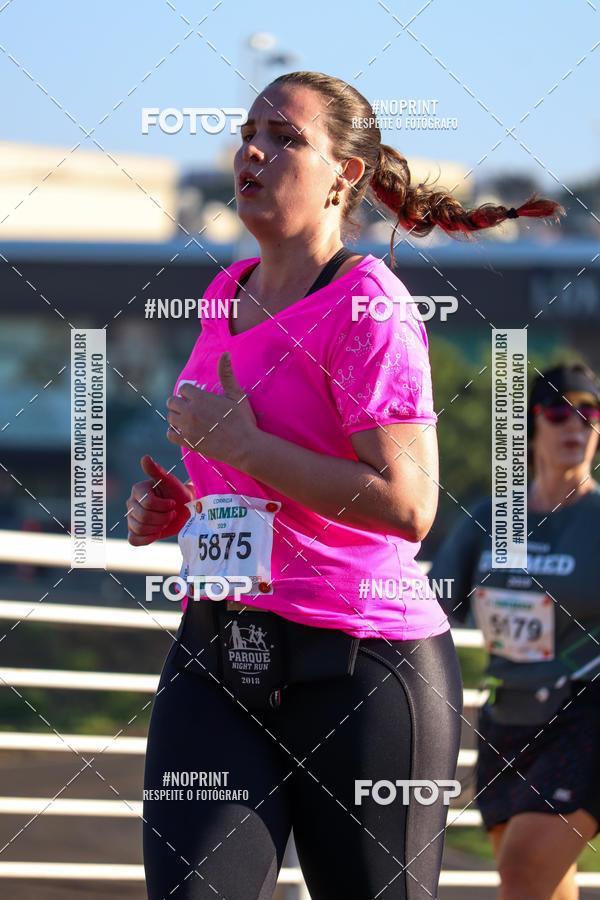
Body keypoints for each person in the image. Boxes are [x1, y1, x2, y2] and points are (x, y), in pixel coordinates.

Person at [126, 70, 564, 900]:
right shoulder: (223, 292)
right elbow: (247, 469)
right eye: (249, 134)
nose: (253, 151)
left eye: (286, 138)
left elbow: (409, 504)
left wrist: (245, 447)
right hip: (221, 649)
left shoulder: (369, 303)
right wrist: (180, 506)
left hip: (363, 668)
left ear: (344, 175)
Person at [429, 362, 600, 900]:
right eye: (558, 411)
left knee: (524, 869)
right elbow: (431, 606)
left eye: (589, 413)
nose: (575, 425)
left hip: (585, 714)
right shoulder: (490, 519)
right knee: (538, 882)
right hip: (507, 718)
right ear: (530, 426)